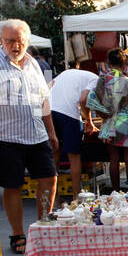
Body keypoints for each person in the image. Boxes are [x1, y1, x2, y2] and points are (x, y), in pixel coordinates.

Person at [0, 19, 60, 253]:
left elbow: (43, 100)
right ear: (1, 41)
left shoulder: (34, 64)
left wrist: (51, 131)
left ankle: (42, 226)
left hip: (36, 134)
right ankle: (18, 234)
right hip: (6, 136)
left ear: (27, 41)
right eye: (10, 41)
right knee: (13, 186)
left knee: (49, 179)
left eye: (20, 41)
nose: (16, 45)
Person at [86, 49, 128, 193]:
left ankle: (116, 191)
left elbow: (91, 100)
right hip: (126, 123)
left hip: (110, 122)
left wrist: (104, 115)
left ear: (108, 63)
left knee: (113, 159)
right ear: (124, 65)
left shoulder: (101, 81)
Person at [47, 65, 99, 198]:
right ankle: (77, 197)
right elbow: (83, 100)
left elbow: (48, 86)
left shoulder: (66, 73)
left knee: (55, 154)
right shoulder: (96, 79)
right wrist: (89, 121)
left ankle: (54, 198)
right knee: (74, 156)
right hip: (69, 114)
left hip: (49, 111)